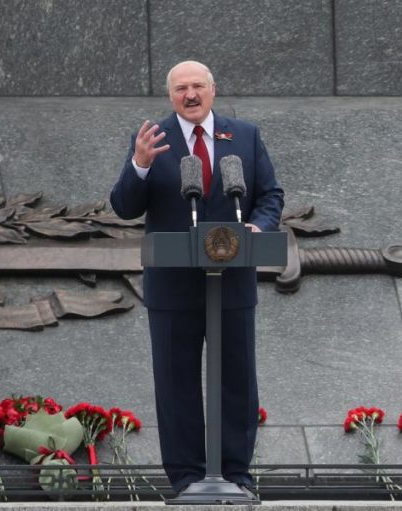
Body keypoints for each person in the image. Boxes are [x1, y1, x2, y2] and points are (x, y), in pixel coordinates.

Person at [110, 60, 284, 495]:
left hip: (232, 281)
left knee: (237, 381)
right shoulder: (151, 140)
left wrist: (259, 227)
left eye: (197, 87)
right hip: (173, 284)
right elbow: (124, 206)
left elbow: (270, 194)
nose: (190, 95)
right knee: (176, 382)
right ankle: (187, 479)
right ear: (170, 95)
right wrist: (140, 165)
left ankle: (236, 477)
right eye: (180, 89)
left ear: (213, 90)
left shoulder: (244, 135)